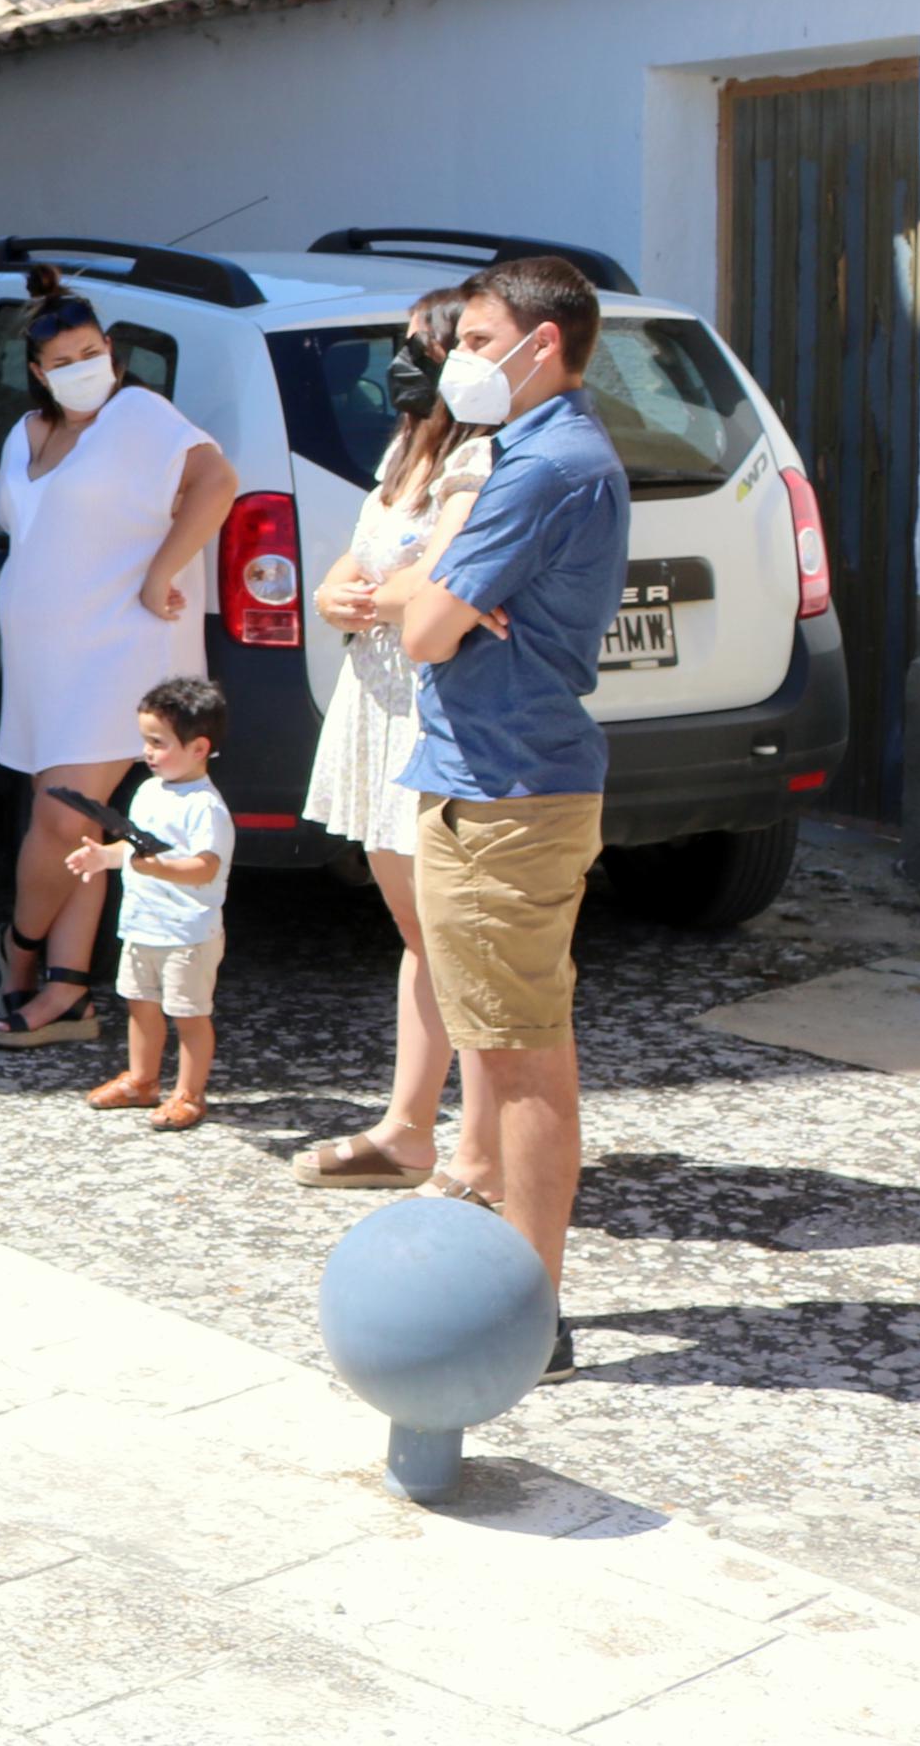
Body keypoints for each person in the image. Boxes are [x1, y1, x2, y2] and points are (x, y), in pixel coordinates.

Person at [381, 255, 630, 1373]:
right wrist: (429, 592)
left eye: (476, 340)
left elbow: (425, 627)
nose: (454, 360)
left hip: (509, 788)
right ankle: (512, 1268)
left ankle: (531, 1312)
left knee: (524, 1056)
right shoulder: (511, 453)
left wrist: (427, 597)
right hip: (480, 773)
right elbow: (423, 599)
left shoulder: (543, 466)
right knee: (506, 1033)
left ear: (542, 346)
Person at [0, 270, 235, 1046]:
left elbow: (216, 480)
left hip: (112, 650)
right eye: (63, 358)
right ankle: (68, 989)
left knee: (58, 817)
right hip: (45, 659)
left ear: (112, 354)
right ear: (36, 370)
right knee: (84, 825)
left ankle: (17, 950)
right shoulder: (29, 432)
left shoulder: (138, 414)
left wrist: (162, 568)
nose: (82, 367)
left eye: (91, 352)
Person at [294, 289, 503, 1194]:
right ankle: (408, 1127)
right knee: (421, 935)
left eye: (422, 346)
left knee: (466, 943)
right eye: (403, 345)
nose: (404, 361)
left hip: (433, 706)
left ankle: (483, 1150)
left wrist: (364, 595)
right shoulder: (407, 447)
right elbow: (364, 556)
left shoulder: (479, 458)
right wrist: (337, 589)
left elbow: (433, 583)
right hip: (374, 701)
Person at [73, 677, 234, 1129]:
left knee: (189, 1014)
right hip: (142, 924)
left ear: (199, 748)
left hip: (187, 932)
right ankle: (142, 1080)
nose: (147, 751)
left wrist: (157, 868)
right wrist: (103, 856)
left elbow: (205, 866)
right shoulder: (149, 791)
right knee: (140, 1005)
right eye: (146, 740)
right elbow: (135, 848)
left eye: (158, 743)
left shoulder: (205, 807)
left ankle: (189, 1094)